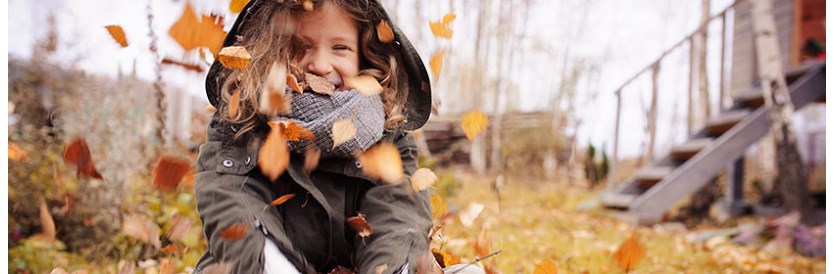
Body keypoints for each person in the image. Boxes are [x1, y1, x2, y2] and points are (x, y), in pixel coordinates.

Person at [194, 0, 448, 273]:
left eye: (340, 48)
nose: (320, 65)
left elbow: (398, 216)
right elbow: (232, 204)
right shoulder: (240, 124)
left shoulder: (390, 136)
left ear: (365, 55)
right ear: (270, 51)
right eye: (299, 47)